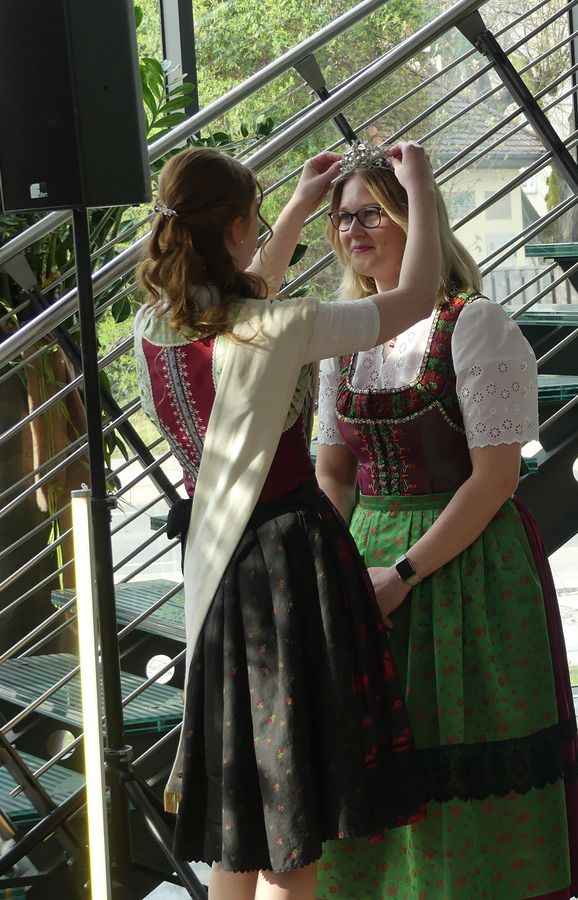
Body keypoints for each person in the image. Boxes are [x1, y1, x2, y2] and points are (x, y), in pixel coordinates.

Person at [133, 142, 441, 900]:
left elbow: (241, 305)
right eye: (259, 217)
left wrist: (300, 205)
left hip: (217, 572)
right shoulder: (279, 328)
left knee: (243, 817)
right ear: (236, 228)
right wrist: (421, 192)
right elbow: (416, 296)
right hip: (287, 571)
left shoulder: (152, 329)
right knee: (290, 818)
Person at [313, 142, 578, 900]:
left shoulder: (475, 324)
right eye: (343, 217)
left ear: (418, 218)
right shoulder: (345, 337)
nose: (352, 230)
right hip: (366, 563)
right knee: (377, 750)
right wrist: (339, 569)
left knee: (462, 739)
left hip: (465, 563)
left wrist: (404, 573)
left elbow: (495, 478)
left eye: (372, 212)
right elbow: (334, 473)